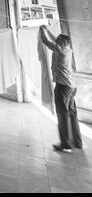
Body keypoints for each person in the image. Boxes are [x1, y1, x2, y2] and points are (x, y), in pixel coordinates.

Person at [39, 25, 82, 153]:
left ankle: (66, 144)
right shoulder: (68, 49)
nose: (56, 41)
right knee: (72, 114)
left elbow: (46, 41)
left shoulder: (59, 51)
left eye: (58, 40)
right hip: (71, 87)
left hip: (63, 87)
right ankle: (77, 142)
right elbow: (54, 39)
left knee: (62, 115)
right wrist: (47, 30)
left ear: (61, 43)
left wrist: (42, 32)